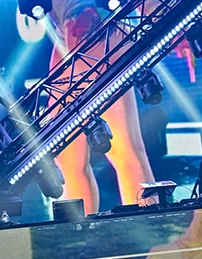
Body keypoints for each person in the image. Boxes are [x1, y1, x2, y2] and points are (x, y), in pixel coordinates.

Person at [47, 2, 158, 214]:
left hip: (94, 23)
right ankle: (81, 231)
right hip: (68, 31)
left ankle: (148, 227)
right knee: (68, 158)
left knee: (124, 149)